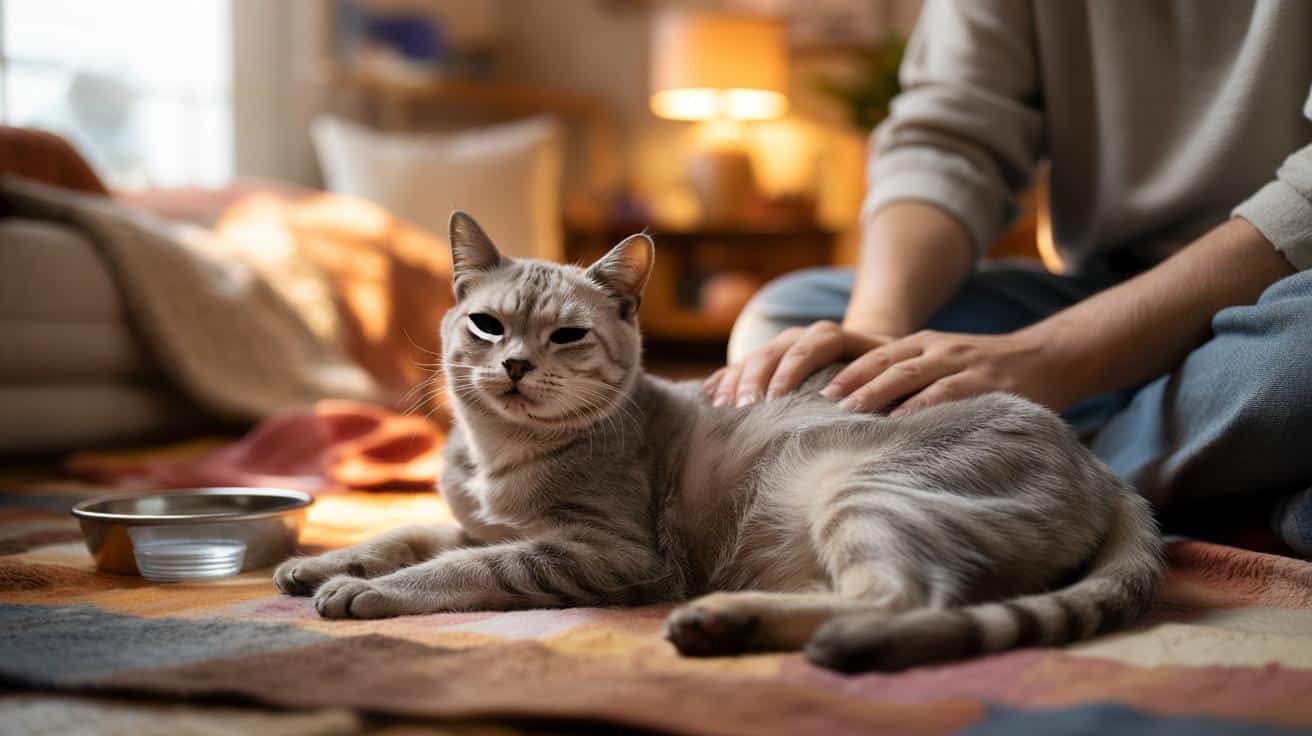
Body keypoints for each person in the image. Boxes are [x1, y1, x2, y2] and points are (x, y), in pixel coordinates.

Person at [711, 1, 1312, 552]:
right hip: (1098, 289)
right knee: (785, 317)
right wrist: (870, 354)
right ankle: (1225, 485)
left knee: (1298, 360)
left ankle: (998, 484)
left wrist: (1046, 357)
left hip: (1280, 295)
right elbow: (950, 140)